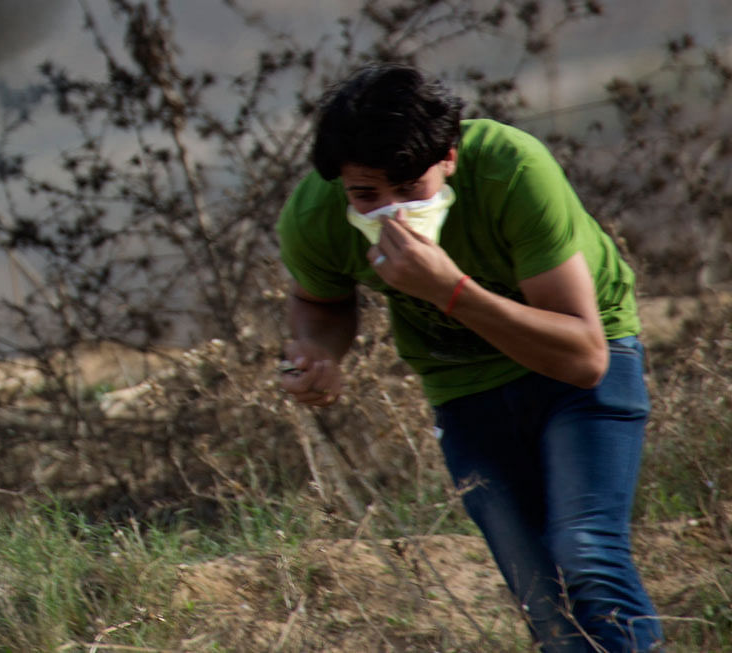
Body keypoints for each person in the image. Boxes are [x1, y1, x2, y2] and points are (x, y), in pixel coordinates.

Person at [276, 64, 660, 652]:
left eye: (410, 188)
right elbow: (318, 303)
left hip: (582, 356)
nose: (393, 213)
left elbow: (584, 358)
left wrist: (450, 291)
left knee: (584, 551)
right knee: (543, 598)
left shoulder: (512, 170)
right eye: (367, 195)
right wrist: (318, 354)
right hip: (463, 384)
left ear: (449, 156)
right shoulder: (316, 216)